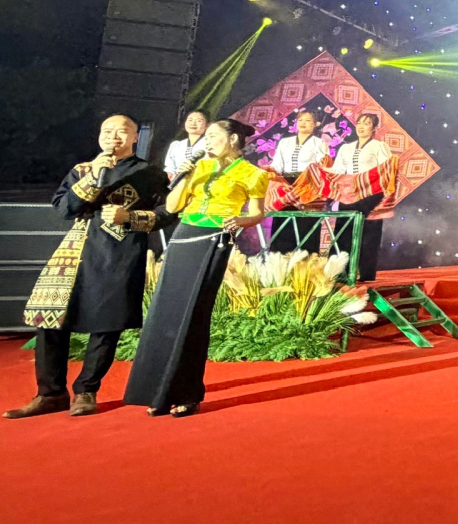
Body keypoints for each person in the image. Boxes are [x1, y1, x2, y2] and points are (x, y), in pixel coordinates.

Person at [5, 116, 172, 420]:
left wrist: (131, 218)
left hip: (118, 256)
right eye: (107, 131)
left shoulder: (150, 174)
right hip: (72, 254)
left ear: (135, 137)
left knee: (107, 323)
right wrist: (94, 175)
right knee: (50, 321)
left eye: (121, 131)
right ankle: (50, 393)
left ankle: (86, 390)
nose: (113, 136)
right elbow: (64, 208)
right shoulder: (83, 170)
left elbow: (168, 212)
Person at [124, 119, 269, 417]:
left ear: (232, 139)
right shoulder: (199, 167)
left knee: (194, 314)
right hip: (184, 235)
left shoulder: (253, 174)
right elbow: (173, 206)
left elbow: (257, 213)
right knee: (164, 310)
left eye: (213, 136)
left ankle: (187, 393)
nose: (208, 141)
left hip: (214, 238)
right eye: (206, 137)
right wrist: (185, 175)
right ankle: (157, 393)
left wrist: (241, 221)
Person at [331, 112, 392, 282]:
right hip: (348, 194)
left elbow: (386, 170)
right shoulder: (346, 148)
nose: (361, 126)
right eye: (359, 123)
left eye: (366, 123)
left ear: (374, 128)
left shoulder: (379, 146)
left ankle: (365, 274)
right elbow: (338, 170)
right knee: (343, 231)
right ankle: (340, 272)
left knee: (369, 234)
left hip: (370, 194)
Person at [268, 109, 330, 253]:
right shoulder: (285, 142)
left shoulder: (319, 143)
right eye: (300, 120)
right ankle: (280, 257)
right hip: (286, 184)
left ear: (315, 124)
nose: (303, 123)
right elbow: (277, 165)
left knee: (306, 222)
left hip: (308, 184)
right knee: (283, 222)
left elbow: (323, 166)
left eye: (308, 121)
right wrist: (272, 174)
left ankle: (305, 259)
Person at [163, 110, 209, 179]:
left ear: (207, 125)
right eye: (190, 120)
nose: (193, 123)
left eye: (199, 121)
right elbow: (170, 168)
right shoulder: (177, 145)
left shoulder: (209, 144)